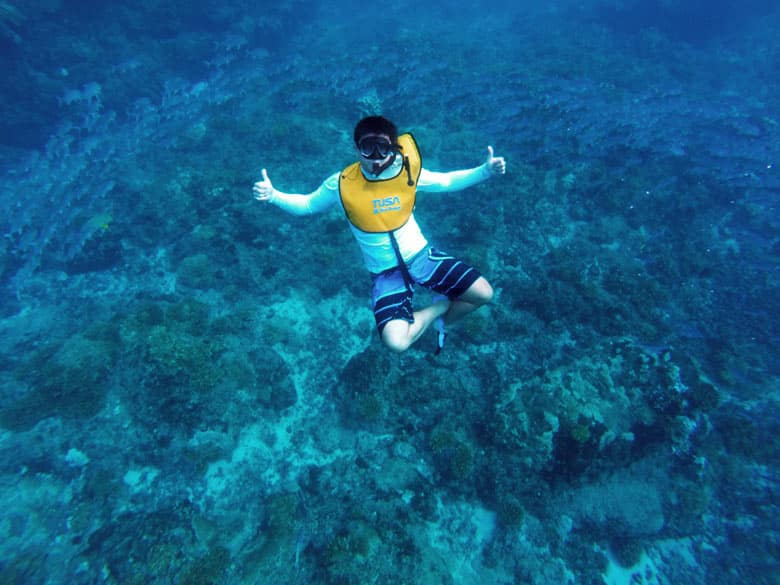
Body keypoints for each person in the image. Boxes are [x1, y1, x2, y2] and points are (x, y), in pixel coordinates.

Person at [253, 115, 506, 353]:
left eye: (382, 148)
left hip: (421, 256)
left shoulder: (406, 172)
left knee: (484, 294)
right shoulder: (340, 184)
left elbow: (447, 181)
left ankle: (442, 321)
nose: (375, 158)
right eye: (367, 148)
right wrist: (274, 196)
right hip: (385, 272)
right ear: (356, 148)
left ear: (393, 147)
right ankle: (439, 308)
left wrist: (485, 171)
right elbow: (307, 205)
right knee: (396, 344)